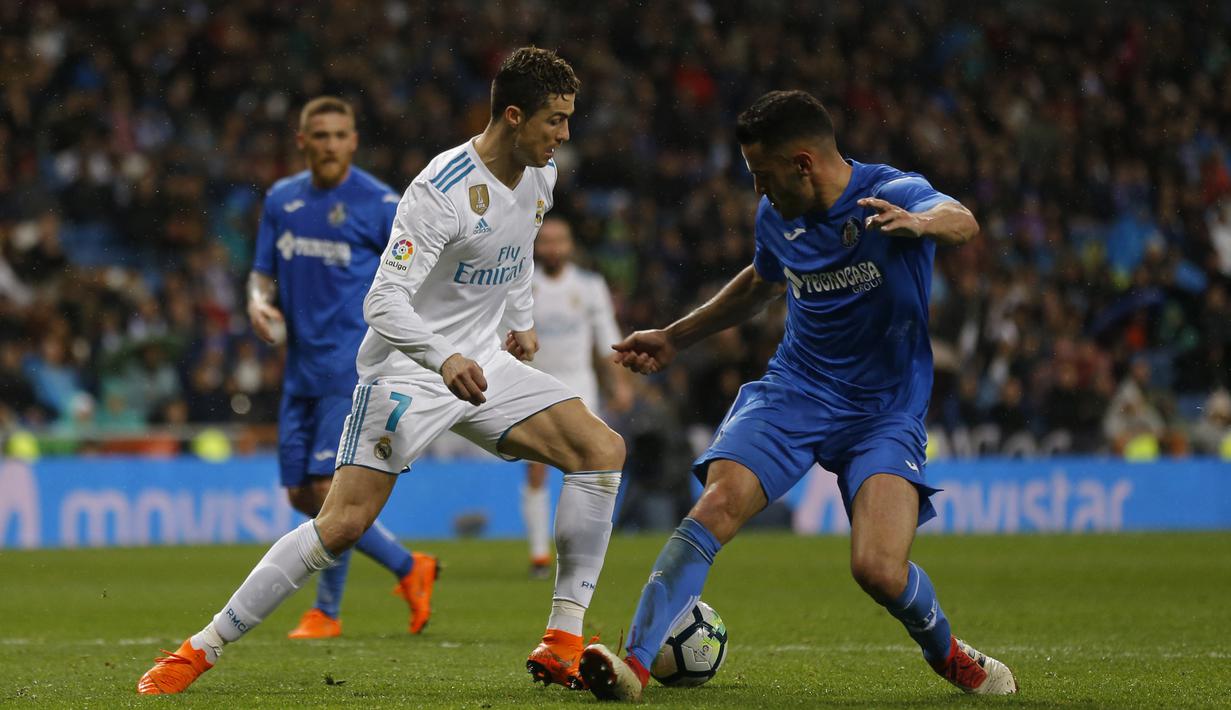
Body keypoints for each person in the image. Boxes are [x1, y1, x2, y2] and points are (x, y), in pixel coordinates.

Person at [138, 48, 625, 695]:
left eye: (567, 119)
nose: (564, 134)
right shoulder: (440, 189)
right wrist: (442, 357)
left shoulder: (542, 175)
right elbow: (382, 300)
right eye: (554, 120)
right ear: (513, 116)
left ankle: (561, 640)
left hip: (483, 365)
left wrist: (522, 317)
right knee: (340, 525)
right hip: (408, 371)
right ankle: (199, 649)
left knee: (600, 450)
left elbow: (518, 250)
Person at [579, 90, 1018, 701]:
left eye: (763, 173)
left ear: (803, 163)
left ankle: (949, 655)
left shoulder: (889, 192)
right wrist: (676, 337)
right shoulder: (774, 216)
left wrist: (920, 224)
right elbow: (760, 284)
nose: (758, 188)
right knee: (716, 505)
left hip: (884, 413)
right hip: (796, 390)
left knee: (877, 569)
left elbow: (962, 219)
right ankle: (635, 666)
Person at [241, 96, 439, 642]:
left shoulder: (381, 204)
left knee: (328, 490)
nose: (330, 145)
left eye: (339, 135)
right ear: (302, 141)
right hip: (300, 369)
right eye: (320, 135)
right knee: (301, 497)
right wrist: (257, 303)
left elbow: (418, 276)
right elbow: (261, 272)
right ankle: (409, 566)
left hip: (351, 366)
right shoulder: (282, 200)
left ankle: (326, 611)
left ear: (353, 141)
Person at [522, 216, 632, 578]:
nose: (553, 248)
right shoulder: (523, 284)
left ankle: (580, 552)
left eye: (560, 241)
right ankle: (539, 554)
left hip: (579, 387)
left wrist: (619, 384)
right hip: (536, 385)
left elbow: (607, 340)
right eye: (546, 241)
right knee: (536, 467)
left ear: (570, 246)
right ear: (537, 246)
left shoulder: (589, 286)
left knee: (589, 468)